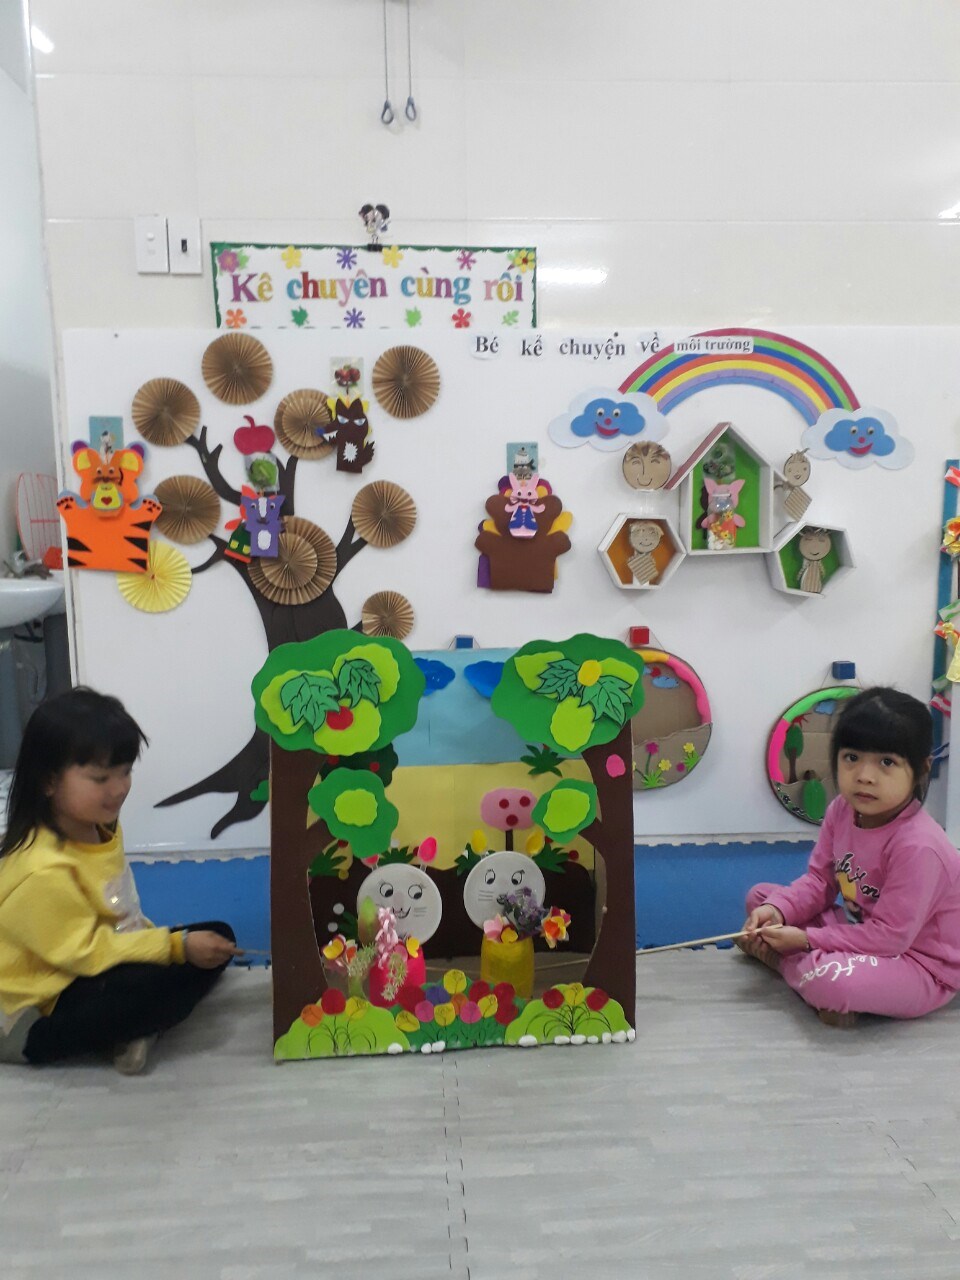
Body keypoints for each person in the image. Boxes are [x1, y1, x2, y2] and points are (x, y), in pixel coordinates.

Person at [0, 687, 238, 1072]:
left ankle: (135, 1025)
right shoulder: (41, 872)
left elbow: (115, 919)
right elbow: (86, 954)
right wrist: (173, 947)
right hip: (43, 1000)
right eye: (100, 778)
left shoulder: (100, 825)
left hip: (97, 962)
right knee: (154, 987)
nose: (119, 789)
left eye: (125, 772)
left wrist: (176, 947)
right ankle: (119, 1027)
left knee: (219, 935)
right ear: (48, 781)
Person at [737, 687, 960, 1027]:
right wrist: (778, 911)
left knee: (833, 981)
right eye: (852, 758)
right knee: (762, 899)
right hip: (863, 932)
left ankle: (785, 962)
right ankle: (804, 966)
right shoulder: (842, 809)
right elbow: (819, 882)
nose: (864, 776)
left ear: (921, 769)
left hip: (919, 965)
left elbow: (890, 938)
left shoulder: (919, 847)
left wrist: (806, 940)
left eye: (887, 762)